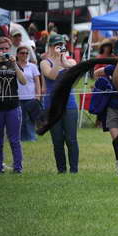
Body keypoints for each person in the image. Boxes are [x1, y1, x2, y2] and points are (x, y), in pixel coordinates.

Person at [0, 37, 27, 173]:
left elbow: (23, 81)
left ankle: (18, 168)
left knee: (14, 140)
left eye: (6, 49)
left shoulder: (13, 63)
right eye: (1, 49)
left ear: (10, 49)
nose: (4, 51)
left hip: (12, 107)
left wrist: (14, 65)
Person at [41, 34, 79, 174]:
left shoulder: (71, 61)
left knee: (71, 139)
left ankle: (74, 170)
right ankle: (61, 170)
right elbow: (52, 75)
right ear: (50, 47)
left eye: (61, 45)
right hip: (52, 106)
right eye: (56, 45)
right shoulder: (45, 62)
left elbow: (73, 68)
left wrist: (63, 59)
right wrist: (57, 60)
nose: (59, 48)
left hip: (69, 105)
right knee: (57, 140)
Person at [16, 45, 42, 142]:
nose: (25, 55)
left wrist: (38, 96)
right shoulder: (14, 66)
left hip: (31, 97)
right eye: (22, 53)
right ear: (17, 54)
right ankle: (20, 138)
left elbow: (37, 82)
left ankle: (31, 138)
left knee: (30, 119)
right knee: (20, 120)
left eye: (27, 53)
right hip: (17, 98)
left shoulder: (33, 66)